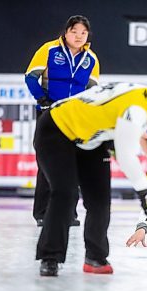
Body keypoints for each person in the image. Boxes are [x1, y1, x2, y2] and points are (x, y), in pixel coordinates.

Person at [34, 82, 147, 276]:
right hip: (56, 128)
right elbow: (125, 156)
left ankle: (95, 257)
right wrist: (145, 191)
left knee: (99, 199)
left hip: (92, 139)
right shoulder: (137, 109)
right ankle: (50, 257)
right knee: (65, 193)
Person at [25, 15, 99, 227]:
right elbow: (30, 77)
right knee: (46, 163)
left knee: (73, 164)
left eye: (83, 33)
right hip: (49, 112)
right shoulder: (48, 50)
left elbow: (93, 90)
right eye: (74, 31)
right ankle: (42, 213)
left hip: (74, 117)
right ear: (65, 32)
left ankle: (70, 214)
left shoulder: (91, 58)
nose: (78, 36)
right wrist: (42, 98)